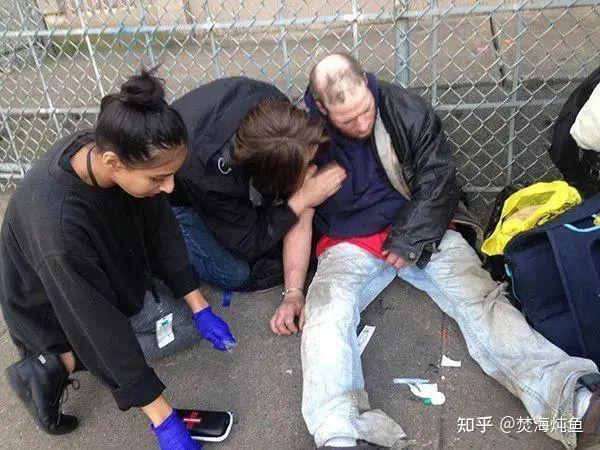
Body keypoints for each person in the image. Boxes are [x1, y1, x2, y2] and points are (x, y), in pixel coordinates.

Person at [286, 53, 599, 449]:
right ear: (320, 106)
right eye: (348, 120)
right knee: (325, 314)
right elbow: (297, 213)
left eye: (366, 110)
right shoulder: (304, 134)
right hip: (349, 240)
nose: (362, 124)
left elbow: (439, 180)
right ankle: (339, 432)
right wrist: (294, 291)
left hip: (421, 225)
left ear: (368, 82)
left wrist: (409, 238)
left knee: (480, 299)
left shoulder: (406, 109)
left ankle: (573, 400)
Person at [0, 69, 235, 449]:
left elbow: (161, 230)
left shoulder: (110, 149)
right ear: (113, 162)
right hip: (55, 307)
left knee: (187, 323)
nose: (170, 187)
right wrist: (165, 421)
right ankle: (53, 362)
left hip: (108, 268)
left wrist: (199, 305)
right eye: (158, 178)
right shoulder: (58, 227)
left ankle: (69, 357)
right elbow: (97, 323)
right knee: (164, 335)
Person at [169, 77, 346, 296]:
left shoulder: (274, 106)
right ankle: (163, 246)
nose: (311, 170)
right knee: (236, 273)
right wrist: (301, 199)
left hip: (198, 135)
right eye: (304, 167)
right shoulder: (213, 175)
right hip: (169, 197)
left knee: (278, 233)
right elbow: (246, 242)